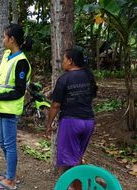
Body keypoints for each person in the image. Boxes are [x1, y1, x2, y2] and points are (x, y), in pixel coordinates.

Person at [0, 23, 32, 190]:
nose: (2, 39)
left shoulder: (21, 62)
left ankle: (10, 180)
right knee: (3, 143)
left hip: (10, 110)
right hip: (1, 108)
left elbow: (18, 92)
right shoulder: (6, 55)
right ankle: (10, 173)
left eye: (4, 37)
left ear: (12, 39)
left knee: (10, 145)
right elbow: (2, 82)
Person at [46, 48, 97, 190]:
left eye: (64, 59)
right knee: (77, 157)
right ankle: (73, 186)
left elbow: (56, 105)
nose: (62, 62)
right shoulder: (88, 75)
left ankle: (78, 187)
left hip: (71, 122)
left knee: (69, 160)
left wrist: (49, 123)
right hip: (88, 122)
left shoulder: (64, 78)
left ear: (70, 61)